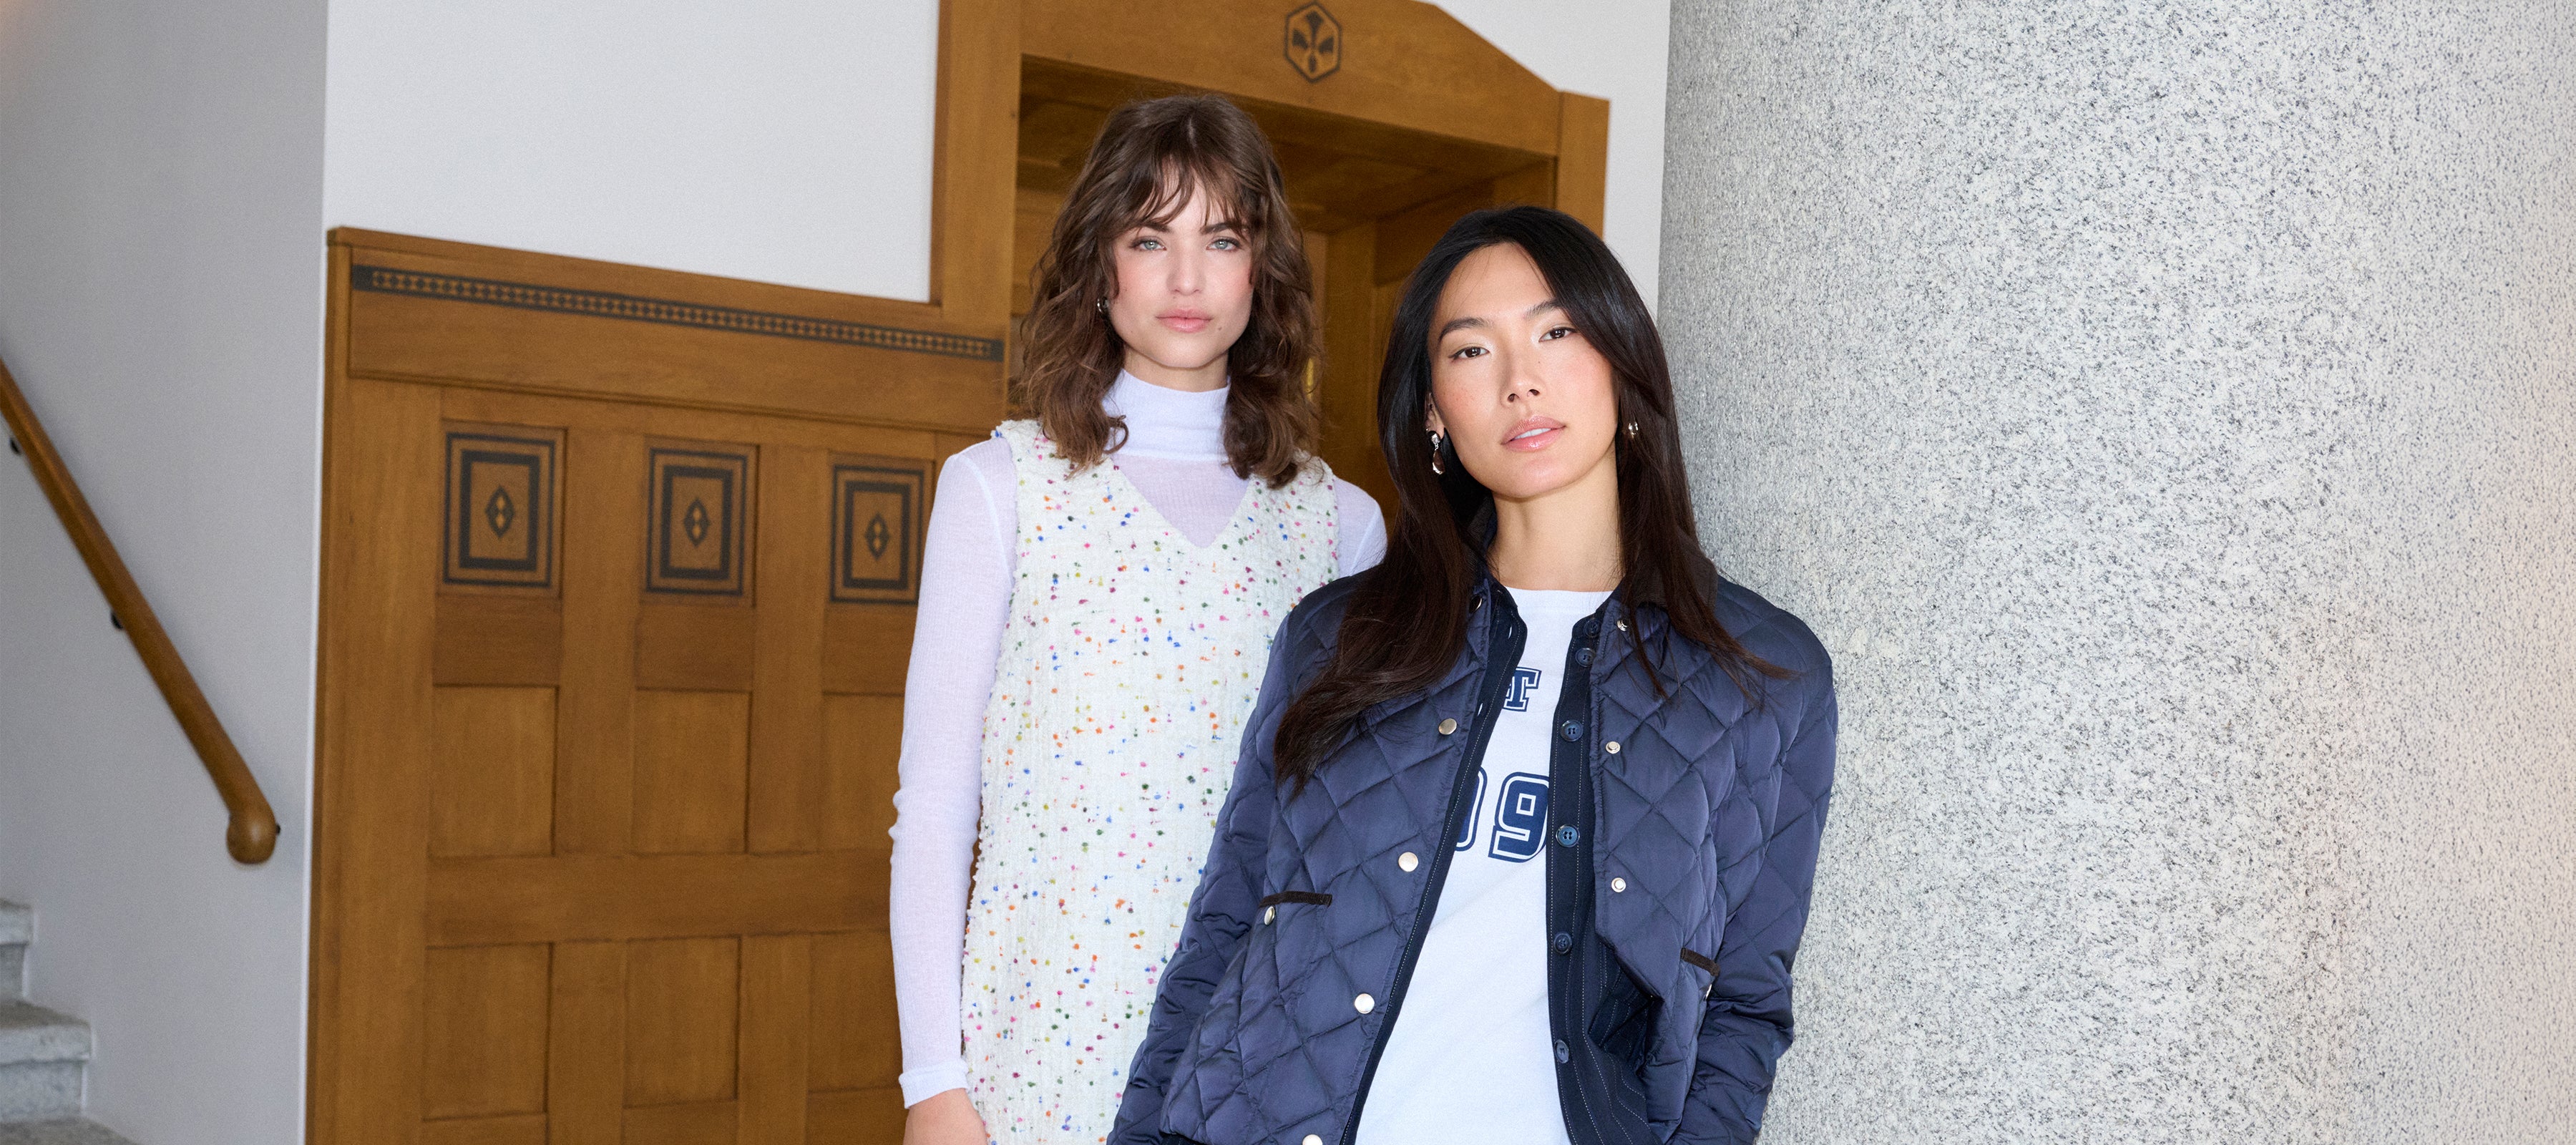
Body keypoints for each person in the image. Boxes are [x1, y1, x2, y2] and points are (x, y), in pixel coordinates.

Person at [1110, 205, 1838, 1145]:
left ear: (1623, 366)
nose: (1519, 381)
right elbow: (1224, 930)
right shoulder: (1340, 638)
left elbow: (1742, 1006)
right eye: (1470, 351)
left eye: (1557, 333)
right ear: (1433, 413)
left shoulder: (1763, 675)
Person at [890, 94, 1387, 1145]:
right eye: (1151, 238)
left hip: (1262, 1061)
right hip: (1040, 1056)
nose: (1187, 278)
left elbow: (1354, 837)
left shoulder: (1339, 526)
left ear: (1263, 271)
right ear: (1098, 262)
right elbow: (935, 805)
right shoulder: (1001, 489)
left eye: (1223, 239)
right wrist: (933, 1081)